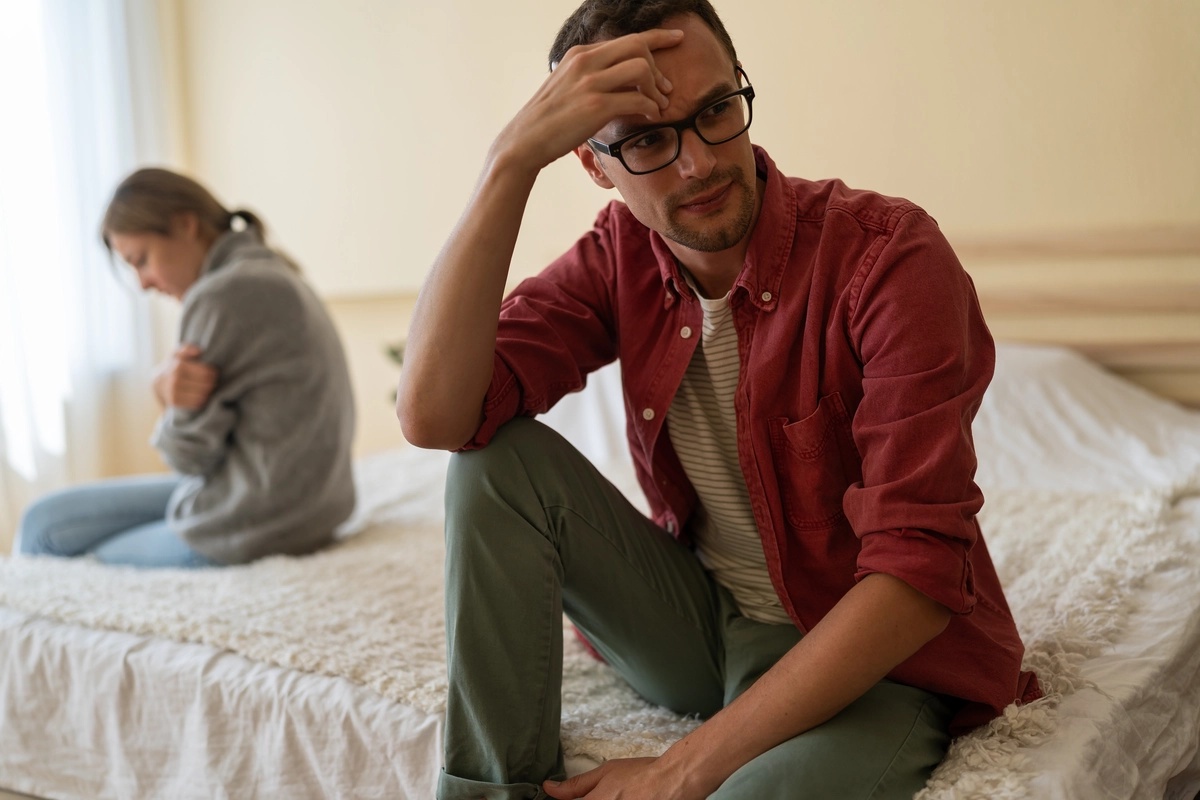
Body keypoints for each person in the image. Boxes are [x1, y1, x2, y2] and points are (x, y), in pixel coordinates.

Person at [397, 1, 1041, 797]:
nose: (697, 164)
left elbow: (916, 580)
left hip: (876, 663)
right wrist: (507, 164)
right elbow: (435, 417)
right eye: (646, 141)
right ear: (594, 166)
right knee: (492, 464)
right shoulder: (618, 255)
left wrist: (680, 769)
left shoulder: (889, 259)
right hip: (702, 629)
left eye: (714, 114)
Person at [16, 167, 356, 568]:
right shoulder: (274, 268)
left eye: (140, 260)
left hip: (257, 522)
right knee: (43, 518)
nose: (142, 283)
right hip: (311, 507)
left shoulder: (222, 293)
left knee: (49, 538)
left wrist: (167, 397)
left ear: (185, 225)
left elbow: (189, 459)